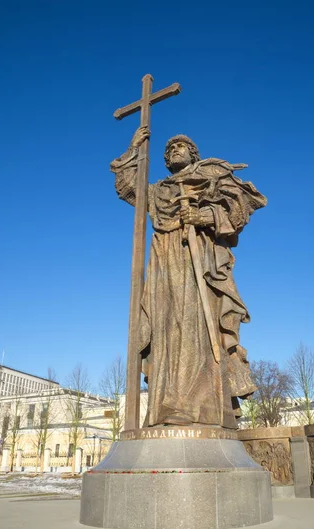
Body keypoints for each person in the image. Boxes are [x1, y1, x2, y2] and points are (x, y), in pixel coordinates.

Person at [110, 126, 267, 429]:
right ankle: (164, 406)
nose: (173, 151)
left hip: (199, 265)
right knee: (165, 329)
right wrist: (133, 149)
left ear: (193, 153)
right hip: (164, 265)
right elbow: (128, 188)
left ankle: (197, 407)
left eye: (181, 146)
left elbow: (239, 210)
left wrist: (205, 216)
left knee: (194, 328)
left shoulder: (209, 178)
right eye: (169, 150)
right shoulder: (159, 191)